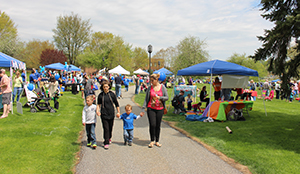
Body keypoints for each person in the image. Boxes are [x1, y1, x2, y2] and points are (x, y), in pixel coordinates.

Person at [142, 73, 169, 148]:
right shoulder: (149, 88)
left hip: (160, 109)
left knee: (158, 125)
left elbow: (166, 97)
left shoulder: (162, 87)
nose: (151, 82)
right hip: (151, 108)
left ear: (156, 80)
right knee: (152, 124)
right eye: (150, 80)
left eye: (152, 80)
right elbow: (146, 99)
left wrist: (160, 97)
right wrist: (143, 108)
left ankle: (157, 140)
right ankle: (152, 140)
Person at [96, 81, 120, 149]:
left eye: (107, 87)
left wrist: (118, 112)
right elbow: (98, 104)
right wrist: (97, 111)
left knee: (110, 127)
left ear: (109, 87)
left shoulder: (112, 94)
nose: (106, 88)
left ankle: (109, 137)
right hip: (104, 114)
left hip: (111, 113)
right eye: (104, 87)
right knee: (106, 128)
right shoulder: (101, 95)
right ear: (102, 88)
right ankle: (106, 142)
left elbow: (116, 104)